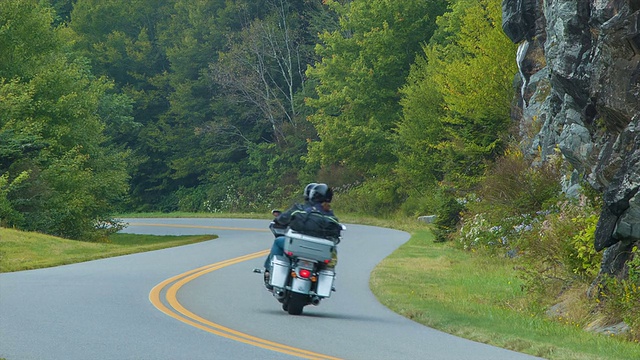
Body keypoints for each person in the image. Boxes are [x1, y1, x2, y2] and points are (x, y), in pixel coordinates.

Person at [263, 183, 338, 287]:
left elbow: (282, 219)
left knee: (278, 241)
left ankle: (269, 271)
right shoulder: (331, 217)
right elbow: (336, 236)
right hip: (320, 253)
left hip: (298, 248)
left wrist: (278, 219)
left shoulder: (299, 209)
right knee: (332, 254)